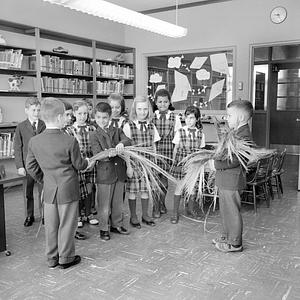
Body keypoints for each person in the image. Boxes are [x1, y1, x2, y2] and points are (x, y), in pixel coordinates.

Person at [26, 97, 93, 269]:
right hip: (68, 189)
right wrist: (88, 162)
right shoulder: (69, 141)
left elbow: (30, 167)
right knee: (67, 225)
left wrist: (44, 179)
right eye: (65, 116)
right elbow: (79, 165)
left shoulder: (34, 141)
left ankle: (51, 258)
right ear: (58, 118)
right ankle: (66, 257)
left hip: (49, 189)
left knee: (51, 225)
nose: (67, 118)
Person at [213, 100, 253, 253]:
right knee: (225, 210)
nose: (226, 118)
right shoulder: (237, 132)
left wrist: (215, 164)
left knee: (232, 211)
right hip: (226, 180)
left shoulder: (243, 136)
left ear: (241, 117)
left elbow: (236, 160)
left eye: (229, 115)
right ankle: (226, 237)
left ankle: (235, 243)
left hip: (232, 180)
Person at [90, 102, 131, 241]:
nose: (102, 121)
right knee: (104, 204)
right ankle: (103, 228)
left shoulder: (117, 130)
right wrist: (111, 153)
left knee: (118, 202)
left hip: (119, 172)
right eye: (99, 117)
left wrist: (121, 144)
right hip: (105, 174)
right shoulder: (94, 135)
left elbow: (128, 140)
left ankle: (116, 224)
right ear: (95, 117)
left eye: (105, 117)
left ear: (110, 117)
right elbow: (97, 153)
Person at [123, 96, 160, 228]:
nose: (142, 112)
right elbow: (126, 149)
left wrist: (154, 164)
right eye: (139, 109)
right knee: (133, 191)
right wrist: (128, 166)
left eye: (145, 109)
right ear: (135, 109)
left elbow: (154, 147)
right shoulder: (128, 126)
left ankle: (145, 215)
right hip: (133, 163)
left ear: (148, 110)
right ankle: (133, 216)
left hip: (148, 164)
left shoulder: (151, 126)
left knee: (145, 190)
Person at [14, 97, 46, 227]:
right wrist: (20, 166)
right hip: (27, 165)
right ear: (26, 110)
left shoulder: (44, 124)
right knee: (28, 192)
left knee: (43, 191)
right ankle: (29, 215)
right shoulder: (21, 126)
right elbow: (17, 147)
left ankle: (45, 215)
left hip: (42, 165)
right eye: (33, 110)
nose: (36, 113)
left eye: (38, 110)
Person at [170, 106, 205, 224]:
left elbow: (200, 152)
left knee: (192, 188)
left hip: (193, 165)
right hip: (181, 162)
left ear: (197, 119)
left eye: (192, 118)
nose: (189, 120)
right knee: (179, 187)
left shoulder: (201, 134)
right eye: (187, 117)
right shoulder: (180, 132)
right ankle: (175, 212)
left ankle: (190, 209)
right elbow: (175, 149)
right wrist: (174, 163)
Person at [67, 100, 98, 227]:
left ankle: (89, 213)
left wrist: (93, 161)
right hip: (77, 164)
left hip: (90, 162)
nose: (83, 116)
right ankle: (79, 215)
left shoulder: (92, 128)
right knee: (79, 190)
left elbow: (96, 147)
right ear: (74, 113)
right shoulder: (70, 130)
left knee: (89, 187)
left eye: (85, 113)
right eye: (79, 113)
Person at [152, 89, 182, 218]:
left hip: (169, 153)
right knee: (154, 181)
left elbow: (178, 137)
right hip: (155, 153)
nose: (162, 104)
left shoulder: (175, 117)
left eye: (165, 101)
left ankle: (162, 203)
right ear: (156, 102)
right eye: (160, 102)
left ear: (169, 102)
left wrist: (176, 156)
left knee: (164, 182)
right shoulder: (151, 117)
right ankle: (155, 206)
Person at [60, 99, 86, 241]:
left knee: (74, 202)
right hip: (66, 173)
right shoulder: (60, 132)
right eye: (67, 115)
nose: (70, 118)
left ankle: (74, 228)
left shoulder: (70, 130)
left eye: (71, 115)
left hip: (74, 172)